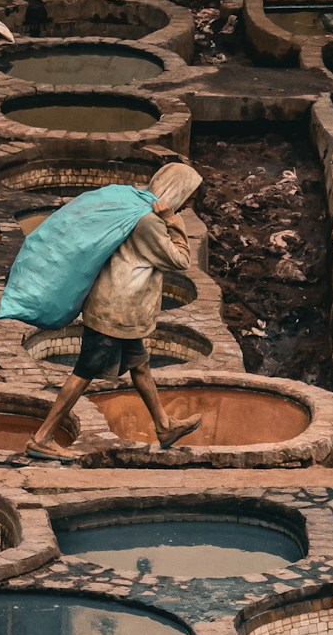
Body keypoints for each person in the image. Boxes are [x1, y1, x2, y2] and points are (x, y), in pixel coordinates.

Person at [27, 163, 204, 456]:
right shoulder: (149, 223)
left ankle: (164, 426)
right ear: (175, 193)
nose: (185, 205)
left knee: (141, 365)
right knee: (83, 373)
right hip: (117, 310)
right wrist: (172, 220)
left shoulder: (134, 209)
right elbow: (181, 259)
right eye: (184, 198)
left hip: (118, 307)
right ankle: (42, 438)